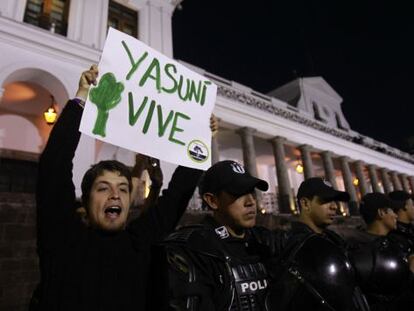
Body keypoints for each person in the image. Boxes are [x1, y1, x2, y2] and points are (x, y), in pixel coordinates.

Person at [36, 65, 217, 310]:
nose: (115, 195)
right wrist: (81, 100)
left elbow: (177, 195)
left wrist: (201, 140)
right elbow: (53, 167)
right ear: (86, 201)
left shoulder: (141, 240)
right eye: (103, 188)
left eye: (122, 188)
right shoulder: (63, 240)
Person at [164, 160, 276, 311]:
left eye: (251, 192)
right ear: (212, 200)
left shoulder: (264, 240)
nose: (250, 202)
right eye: (238, 193)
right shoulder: (194, 249)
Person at [266, 177, 369, 311]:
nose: (334, 206)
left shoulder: (334, 239)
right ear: (305, 204)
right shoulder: (289, 243)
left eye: (334, 201)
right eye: (326, 201)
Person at [346, 193, 413, 311]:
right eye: (392, 210)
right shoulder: (364, 252)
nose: (396, 215)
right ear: (381, 213)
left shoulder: (389, 242)